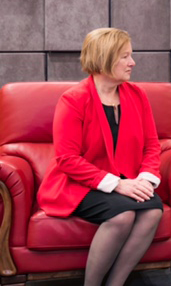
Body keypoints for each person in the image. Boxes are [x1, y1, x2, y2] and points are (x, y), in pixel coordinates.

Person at [38, 28, 163, 286]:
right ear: (104, 58)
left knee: (152, 211)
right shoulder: (74, 100)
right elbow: (67, 159)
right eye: (125, 56)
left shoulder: (137, 95)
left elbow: (152, 146)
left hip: (126, 180)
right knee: (122, 215)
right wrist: (116, 184)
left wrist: (145, 180)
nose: (132, 62)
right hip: (77, 184)